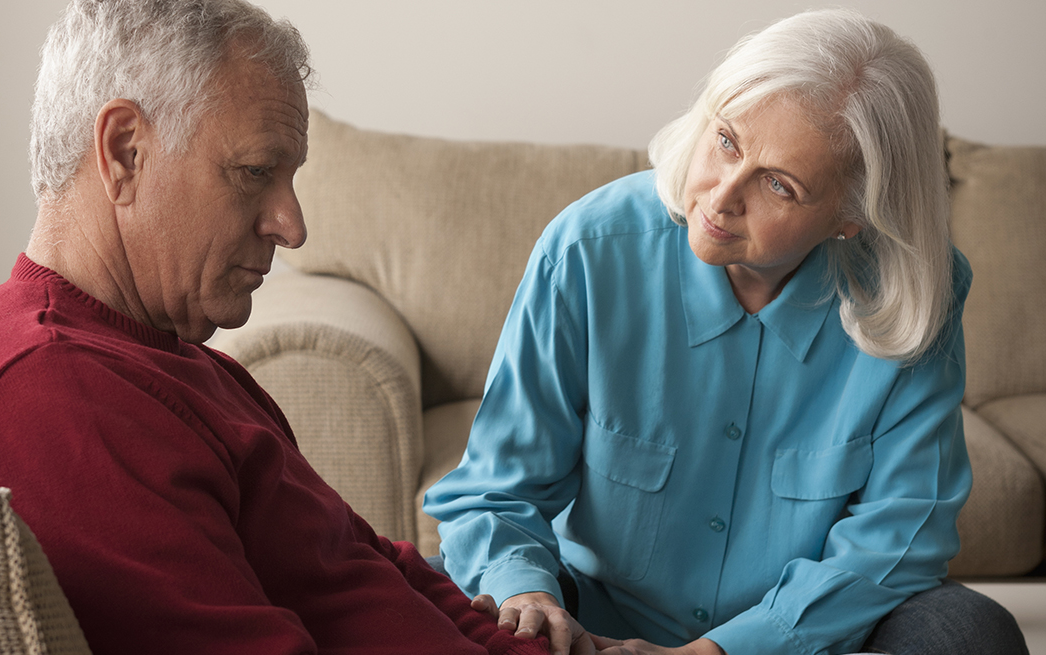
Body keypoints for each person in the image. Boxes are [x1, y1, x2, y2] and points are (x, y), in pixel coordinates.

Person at [0, 1, 591, 654]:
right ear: (124, 151)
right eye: (255, 172)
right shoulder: (51, 402)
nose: (292, 226)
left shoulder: (172, 362)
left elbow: (366, 563)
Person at [423, 9, 1028, 655]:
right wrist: (529, 597)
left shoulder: (913, 292)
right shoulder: (588, 247)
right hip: (594, 623)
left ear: (850, 215)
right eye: (727, 142)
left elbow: (902, 532)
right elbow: (494, 491)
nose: (718, 196)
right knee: (445, 596)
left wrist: (723, 650)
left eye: (778, 184)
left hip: (808, 636)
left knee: (970, 631)